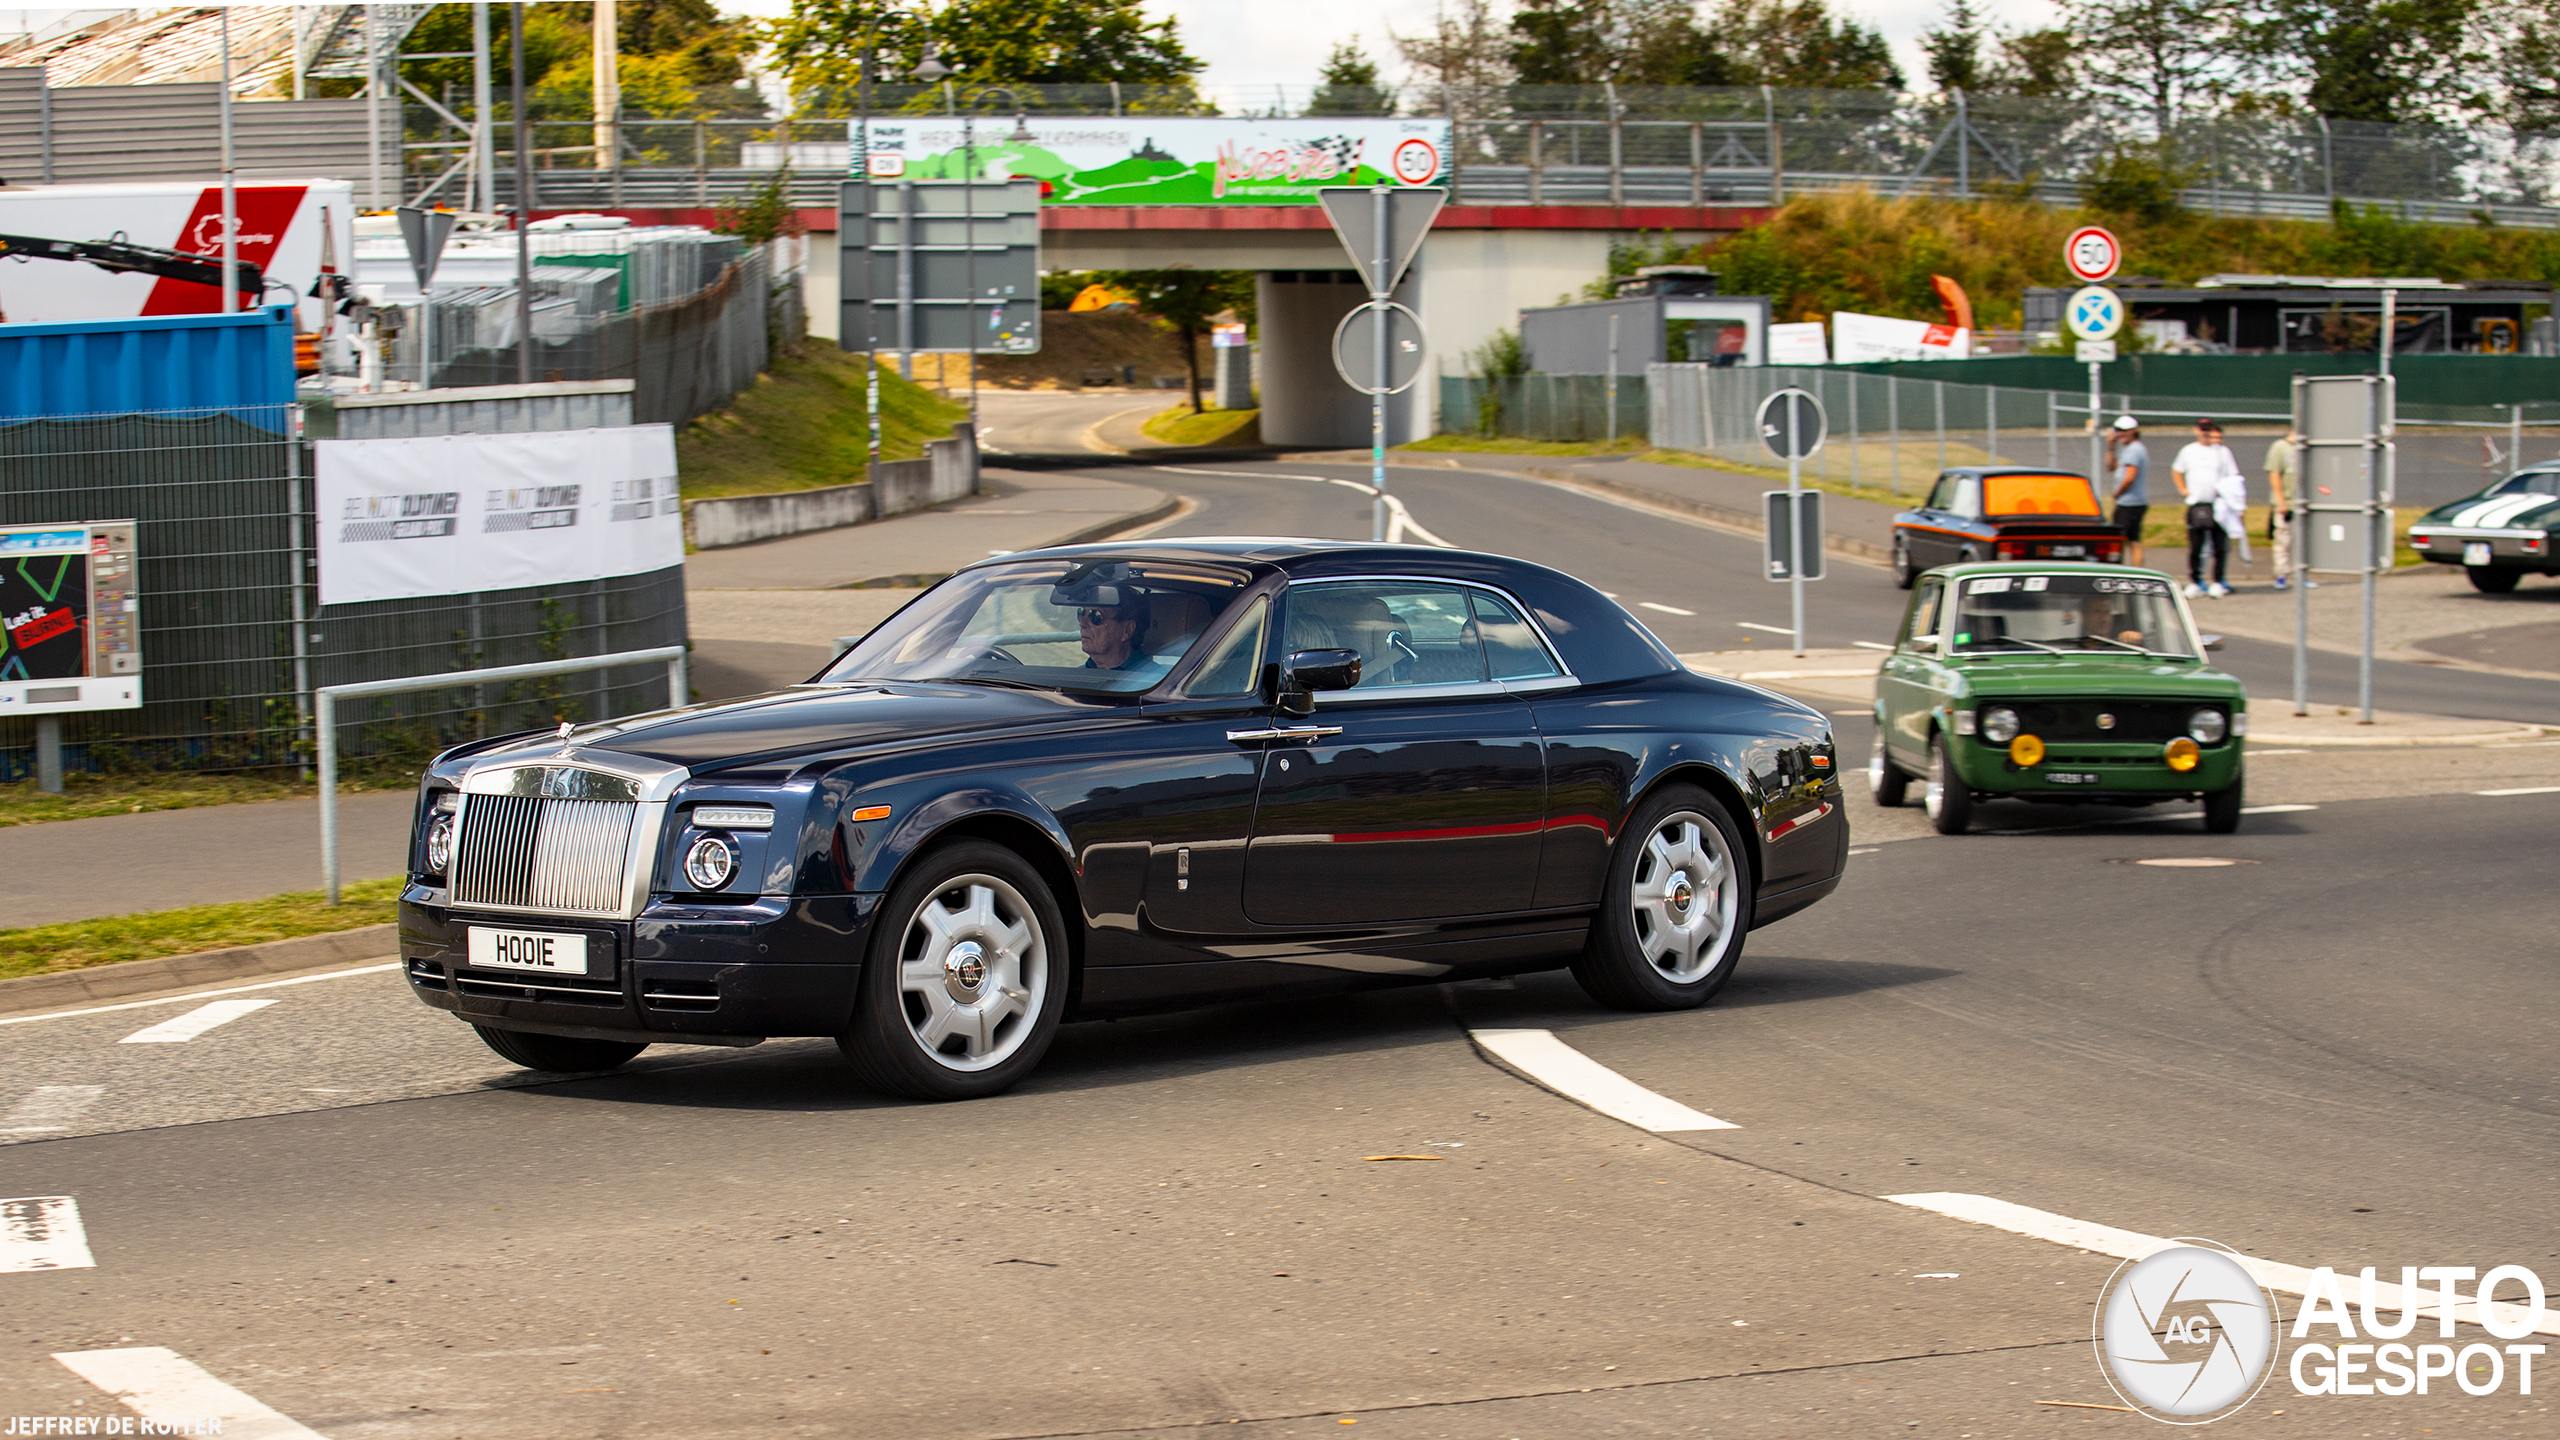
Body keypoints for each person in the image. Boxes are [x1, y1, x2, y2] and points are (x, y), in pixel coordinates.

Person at [2173, 418, 2244, 597]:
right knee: (2196, 545)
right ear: (2197, 430)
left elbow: (2233, 476)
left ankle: (2218, 580)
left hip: (2218, 504)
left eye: (2208, 429)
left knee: (2219, 546)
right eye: (2202, 429)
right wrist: (2183, 489)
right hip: (2196, 503)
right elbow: (2177, 469)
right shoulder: (2188, 451)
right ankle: (2196, 581)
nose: (2205, 433)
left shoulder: (2222, 452)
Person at [2107, 415, 2150, 568]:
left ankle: (2122, 571)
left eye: (2124, 430)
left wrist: (2117, 493)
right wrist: (2111, 447)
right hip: (2132, 502)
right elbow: (2110, 467)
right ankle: (2137, 571)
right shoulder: (2129, 450)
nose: (2120, 434)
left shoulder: (2134, 451)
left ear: (2133, 431)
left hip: (2130, 503)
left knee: (2119, 541)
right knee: (2133, 540)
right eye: (2118, 430)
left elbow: (2129, 477)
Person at [1075, 593, 1151, 671]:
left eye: (1095, 616)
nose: (1082, 623)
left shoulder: (1154, 679)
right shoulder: (1074, 677)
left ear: (1127, 630)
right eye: (1082, 613)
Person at [2263, 427, 2299, 588]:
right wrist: (2280, 501)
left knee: (2301, 541)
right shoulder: (2281, 447)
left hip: (2302, 504)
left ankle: (2301, 573)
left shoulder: (2307, 448)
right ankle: (2281, 574)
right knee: (2283, 540)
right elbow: (2274, 474)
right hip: (2286, 503)